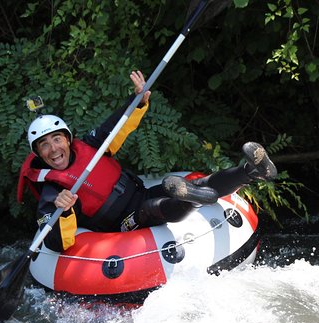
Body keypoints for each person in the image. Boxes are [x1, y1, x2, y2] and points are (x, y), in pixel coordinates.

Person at [17, 70, 277, 252]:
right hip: (122, 222)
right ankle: (192, 197)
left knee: (195, 183)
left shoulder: (91, 146)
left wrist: (138, 100)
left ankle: (252, 171)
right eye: (44, 145)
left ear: (68, 139)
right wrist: (63, 210)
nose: (53, 149)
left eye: (57, 140)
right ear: (38, 153)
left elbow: (118, 124)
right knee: (154, 207)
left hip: (137, 193)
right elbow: (54, 242)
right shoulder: (51, 191)